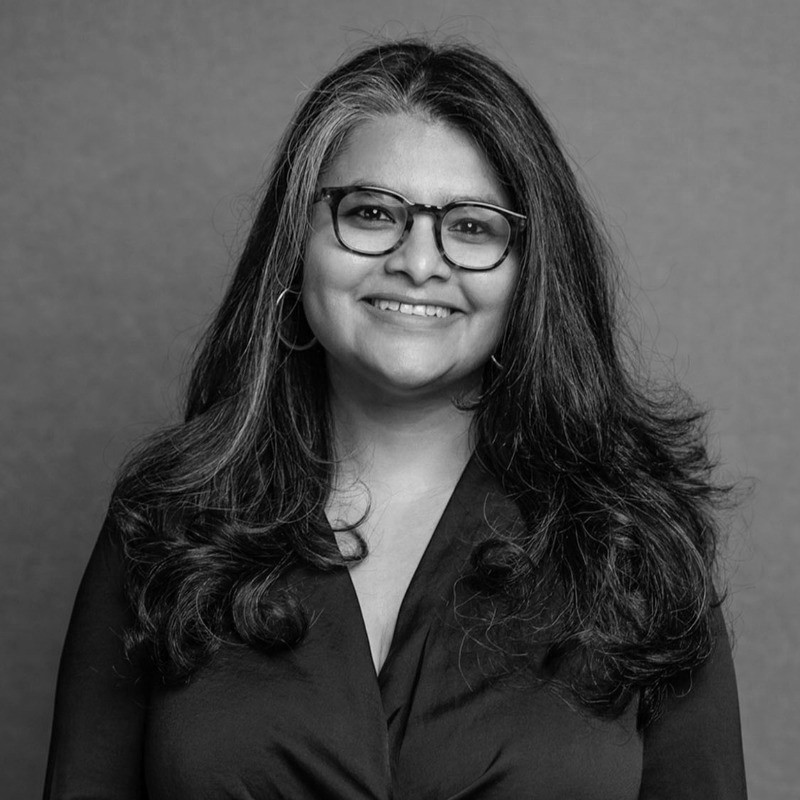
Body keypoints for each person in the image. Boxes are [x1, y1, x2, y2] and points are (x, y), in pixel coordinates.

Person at [44, 39, 747, 799]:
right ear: (297, 248)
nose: (419, 260)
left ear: (530, 275)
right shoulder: (167, 522)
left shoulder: (636, 540)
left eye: (473, 226)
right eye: (372, 212)